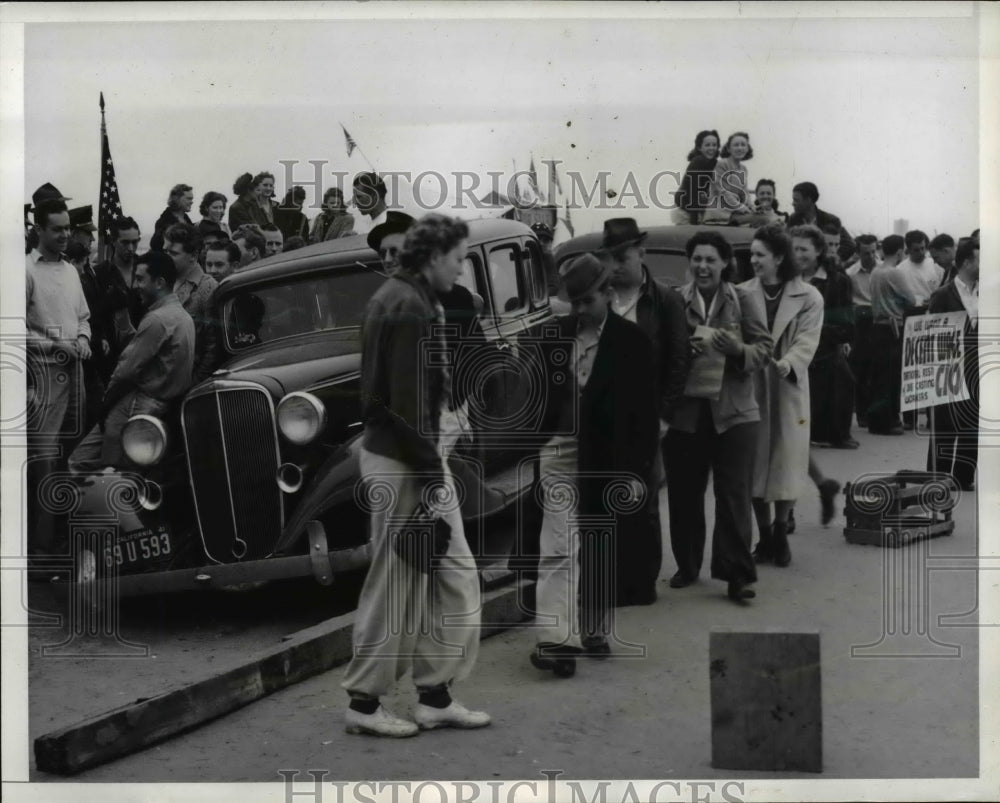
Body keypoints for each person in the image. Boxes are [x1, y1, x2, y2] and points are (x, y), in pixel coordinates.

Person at [343, 213, 490, 737]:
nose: (461, 267)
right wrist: (432, 476)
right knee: (398, 581)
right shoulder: (408, 306)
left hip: (406, 457)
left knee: (441, 576)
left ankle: (434, 694)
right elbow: (408, 406)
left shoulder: (403, 297)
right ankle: (364, 704)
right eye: (457, 258)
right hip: (408, 460)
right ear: (434, 257)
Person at [529, 253, 657, 675]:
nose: (580, 310)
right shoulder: (555, 336)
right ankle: (556, 640)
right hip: (560, 452)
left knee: (601, 541)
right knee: (558, 543)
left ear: (608, 294)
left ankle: (594, 626)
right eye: (574, 302)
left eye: (587, 301)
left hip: (608, 456)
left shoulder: (633, 343)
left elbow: (643, 415)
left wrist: (638, 471)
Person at [665, 231, 772, 602]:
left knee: (733, 495)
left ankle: (737, 576)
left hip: (736, 412)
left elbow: (764, 348)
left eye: (711, 260)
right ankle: (688, 565)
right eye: (697, 259)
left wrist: (737, 349)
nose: (703, 267)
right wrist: (684, 349)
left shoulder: (743, 299)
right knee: (684, 494)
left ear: (725, 263)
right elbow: (662, 351)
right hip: (688, 413)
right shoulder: (676, 301)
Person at [599, 218, 690, 605]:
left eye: (622, 256)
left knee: (645, 499)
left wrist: (665, 415)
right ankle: (612, 579)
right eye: (609, 258)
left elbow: (679, 360)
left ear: (641, 252)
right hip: (605, 414)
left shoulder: (665, 300)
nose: (616, 265)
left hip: (648, 415)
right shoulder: (600, 298)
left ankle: (642, 581)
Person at [738, 225, 823, 567]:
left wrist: (788, 364)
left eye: (760, 254)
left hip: (788, 385)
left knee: (787, 459)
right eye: (752, 255)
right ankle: (764, 535)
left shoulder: (809, 296)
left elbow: (807, 339)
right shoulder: (741, 293)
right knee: (755, 462)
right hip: (752, 384)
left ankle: (780, 530)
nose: (754, 260)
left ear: (778, 257)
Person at [68, 251, 195, 474]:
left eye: (140, 279)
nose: (135, 285)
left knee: (101, 469)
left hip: (136, 406)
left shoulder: (157, 319)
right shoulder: (182, 316)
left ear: (159, 282)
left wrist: (106, 405)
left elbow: (125, 371)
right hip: (159, 409)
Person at [25, 197, 92, 554]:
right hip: (43, 379)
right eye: (58, 228)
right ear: (39, 230)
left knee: (73, 455)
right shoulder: (24, 271)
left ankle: (65, 541)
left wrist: (82, 339)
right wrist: (54, 347)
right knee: (44, 463)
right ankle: (41, 548)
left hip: (75, 376)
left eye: (68, 227)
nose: (66, 234)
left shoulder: (70, 271)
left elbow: (83, 317)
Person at [793, 223, 856, 449]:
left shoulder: (837, 281)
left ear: (818, 251)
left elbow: (846, 327)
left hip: (823, 357)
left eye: (804, 250)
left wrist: (809, 328)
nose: (798, 255)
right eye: (794, 249)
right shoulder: (784, 279)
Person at [925, 239, 978, 491]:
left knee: (974, 422)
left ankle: (964, 476)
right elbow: (930, 333)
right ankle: (938, 475)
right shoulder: (943, 294)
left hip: (978, 367)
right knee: (945, 423)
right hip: (948, 367)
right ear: (967, 262)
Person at [866, 234, 915, 436]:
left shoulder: (876, 271)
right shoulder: (895, 273)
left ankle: (877, 420)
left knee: (878, 376)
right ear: (899, 251)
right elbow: (911, 300)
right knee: (892, 377)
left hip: (877, 325)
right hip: (893, 327)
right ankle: (890, 420)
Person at [163, 223, 218, 383]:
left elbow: (213, 347)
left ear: (193, 255)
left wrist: (195, 383)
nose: (166, 257)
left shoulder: (207, 288)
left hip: (188, 381)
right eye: (165, 251)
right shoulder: (164, 280)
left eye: (173, 253)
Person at [64, 240, 107, 444]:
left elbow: (87, 316)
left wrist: (88, 338)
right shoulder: (74, 282)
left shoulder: (80, 280)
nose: (84, 269)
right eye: (82, 264)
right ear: (73, 262)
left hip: (85, 351)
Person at [92, 216, 144, 380]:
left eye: (135, 242)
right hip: (112, 357)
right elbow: (95, 314)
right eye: (125, 242)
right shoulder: (100, 274)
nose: (131, 247)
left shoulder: (147, 268)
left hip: (145, 351)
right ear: (113, 241)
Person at [846, 234, 879, 428]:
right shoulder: (851, 274)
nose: (871, 256)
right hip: (861, 321)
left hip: (879, 320)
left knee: (878, 368)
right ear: (858, 253)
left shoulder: (884, 269)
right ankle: (862, 413)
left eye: (874, 251)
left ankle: (876, 412)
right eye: (866, 253)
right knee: (861, 367)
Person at [787, 182, 854, 262]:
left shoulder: (831, 220)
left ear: (808, 200)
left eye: (796, 200)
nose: (793, 203)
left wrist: (836, 259)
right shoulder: (793, 219)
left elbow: (850, 244)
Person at [702, 132, 754, 224]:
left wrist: (751, 206)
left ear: (747, 148)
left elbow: (744, 192)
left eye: (743, 145)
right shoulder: (722, 164)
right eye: (736, 145)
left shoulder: (743, 169)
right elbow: (722, 191)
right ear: (729, 149)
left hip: (734, 213)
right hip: (718, 215)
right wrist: (741, 207)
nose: (740, 148)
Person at [671, 129, 720, 225]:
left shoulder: (712, 163)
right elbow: (693, 193)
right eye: (707, 145)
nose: (712, 148)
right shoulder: (698, 162)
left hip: (696, 209)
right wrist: (694, 223)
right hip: (686, 211)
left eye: (714, 145)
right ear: (699, 147)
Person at [150, 184, 194, 251]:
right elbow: (156, 247)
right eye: (189, 199)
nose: (192, 202)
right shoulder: (163, 223)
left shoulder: (187, 221)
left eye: (192, 199)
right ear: (177, 199)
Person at [531, 221, 559, 295]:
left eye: (545, 240)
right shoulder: (521, 259)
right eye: (537, 238)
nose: (541, 243)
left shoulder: (548, 260)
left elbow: (553, 287)